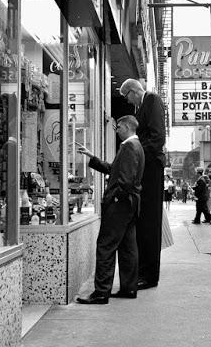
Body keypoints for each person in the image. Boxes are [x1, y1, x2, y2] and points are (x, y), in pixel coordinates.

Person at [76, 115, 145, 304]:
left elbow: (125, 180)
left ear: (126, 127)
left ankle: (101, 292)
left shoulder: (129, 147)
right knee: (127, 247)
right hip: (129, 204)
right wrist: (93, 158)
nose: (116, 131)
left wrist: (114, 197)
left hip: (120, 205)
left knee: (105, 246)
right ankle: (128, 288)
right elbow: (113, 169)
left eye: (118, 127)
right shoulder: (135, 146)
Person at [119, 78, 165, 290]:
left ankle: (150, 275)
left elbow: (157, 138)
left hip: (152, 168)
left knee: (150, 222)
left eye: (126, 96)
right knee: (143, 220)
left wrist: (136, 153)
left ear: (133, 91)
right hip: (146, 167)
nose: (127, 101)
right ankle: (143, 271)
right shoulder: (143, 105)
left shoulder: (153, 100)